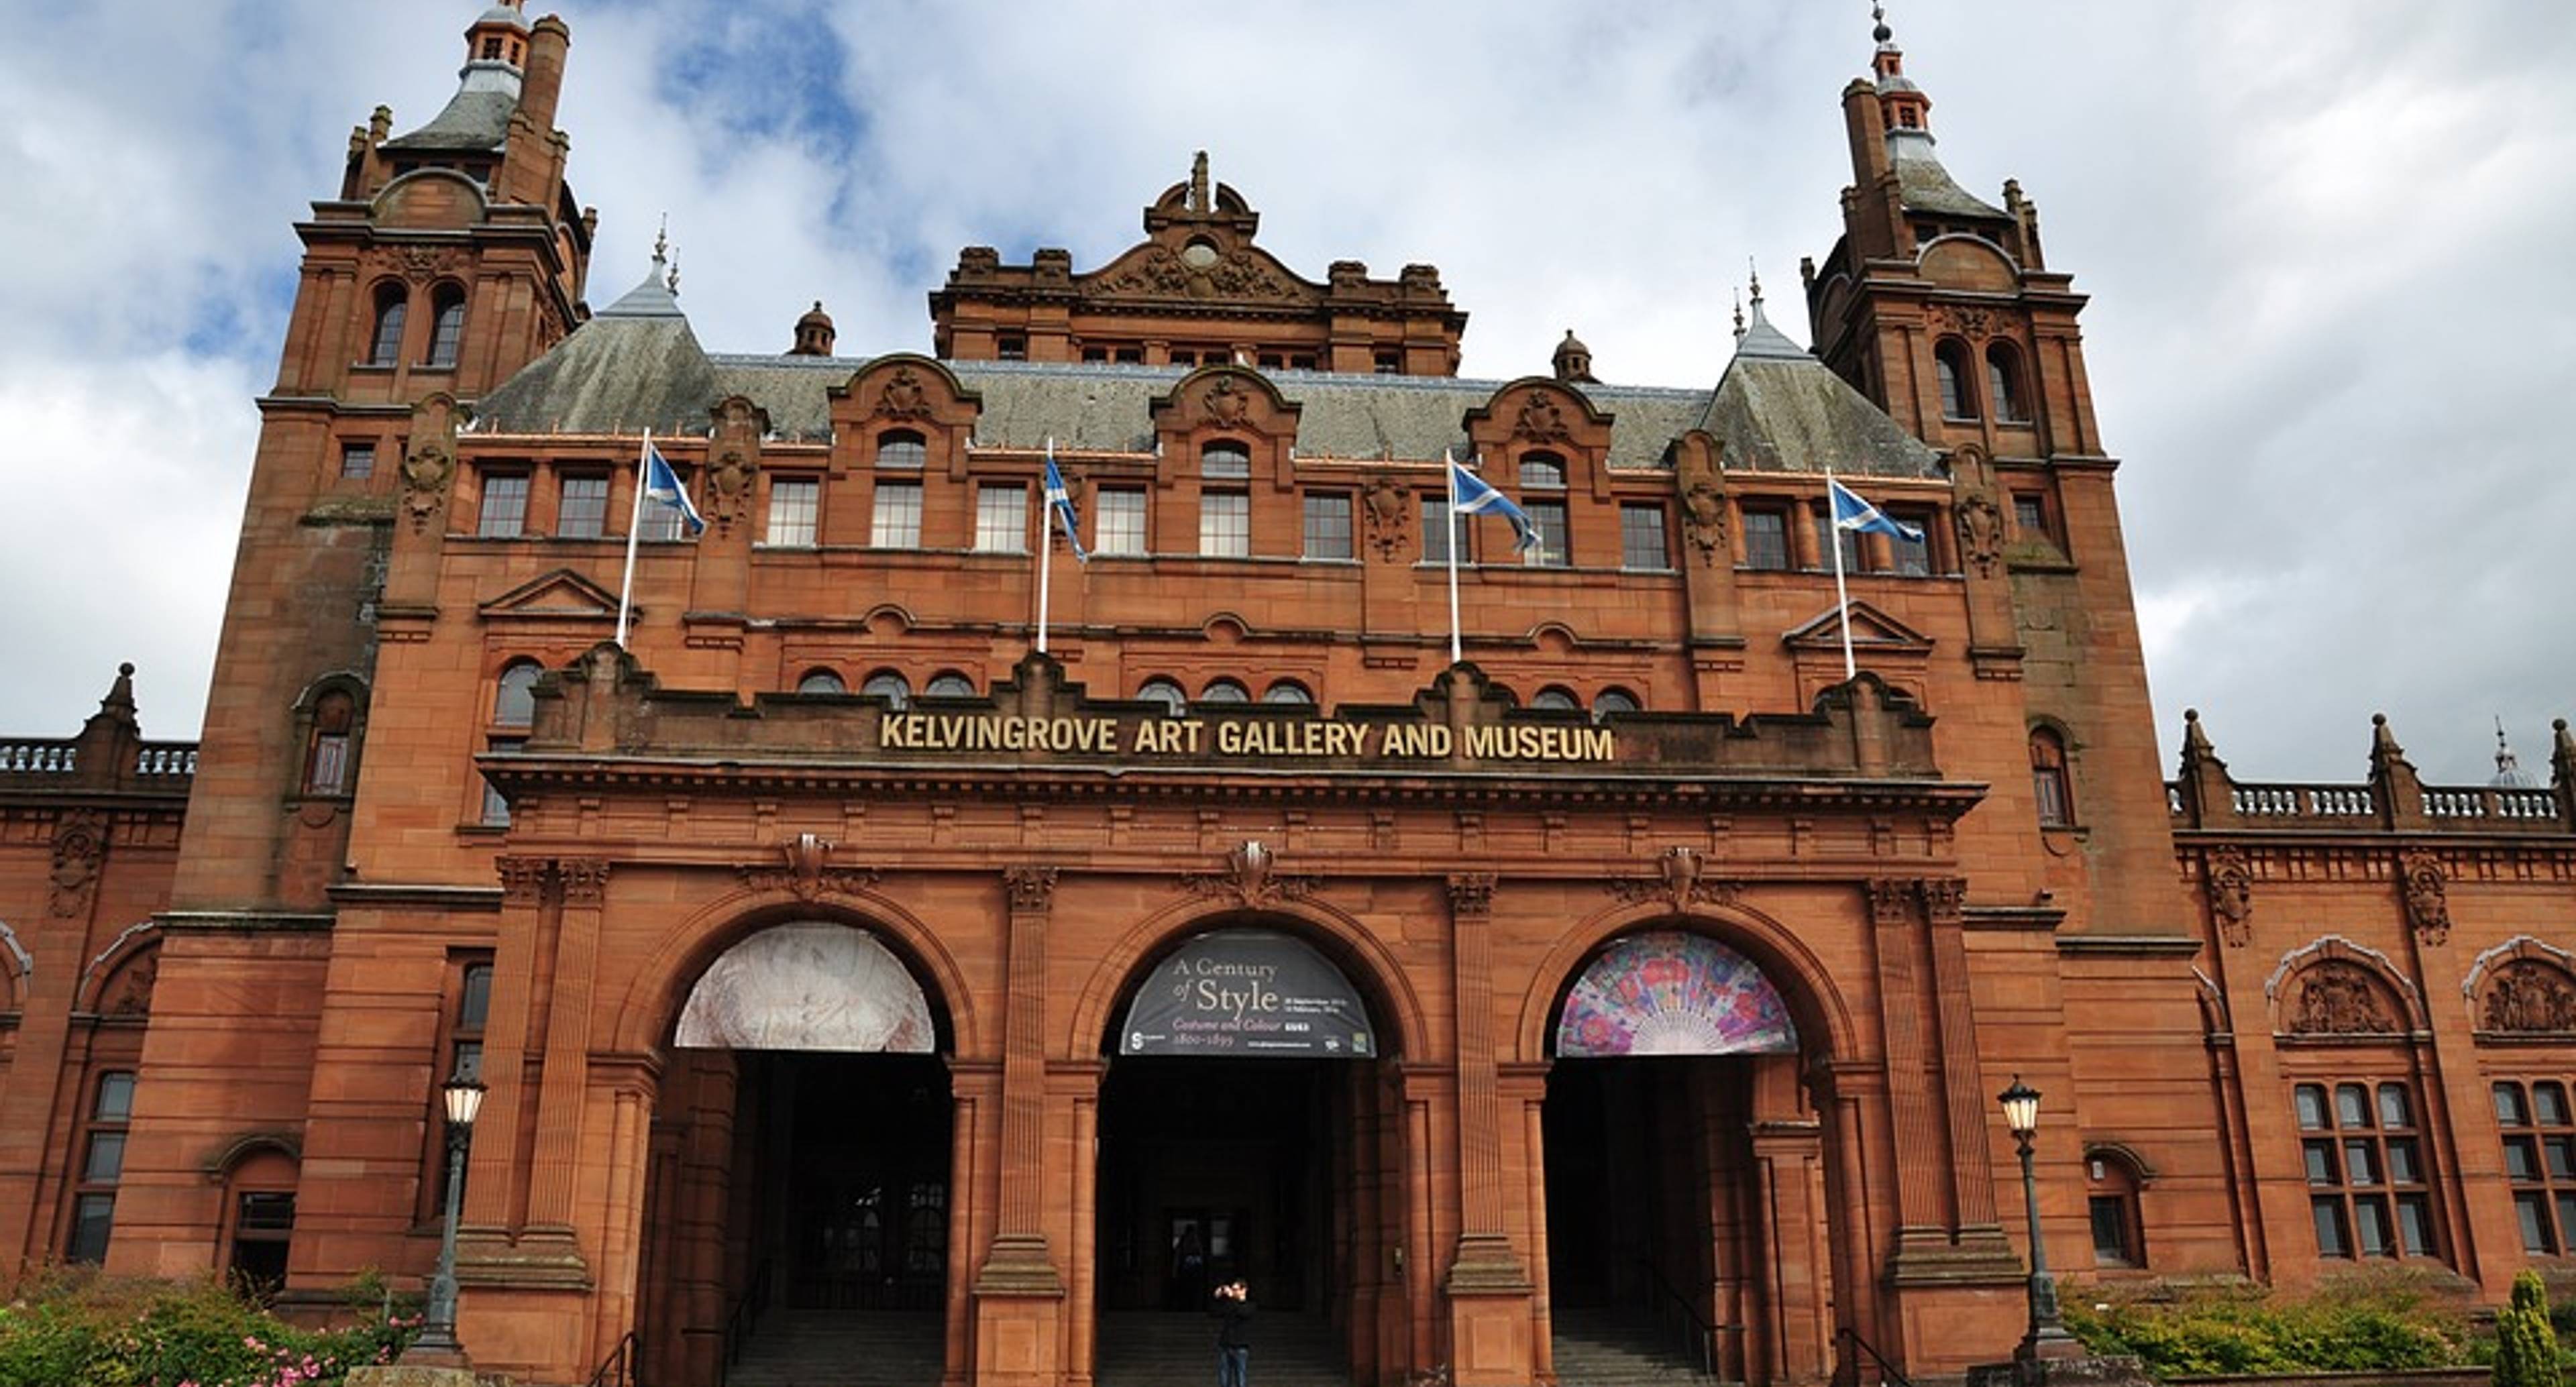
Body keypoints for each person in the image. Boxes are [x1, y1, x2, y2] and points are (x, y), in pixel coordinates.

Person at [1209, 1278, 1254, 1387]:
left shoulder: (1250, 1306)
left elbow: (1243, 1313)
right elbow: (1214, 1313)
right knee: (1224, 1379)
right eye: (1233, 1290)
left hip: (1240, 1347)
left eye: (1236, 1290)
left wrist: (1231, 1298)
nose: (1233, 1292)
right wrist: (1216, 1297)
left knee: (1241, 1379)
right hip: (1225, 1345)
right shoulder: (1229, 1304)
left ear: (1244, 1290)